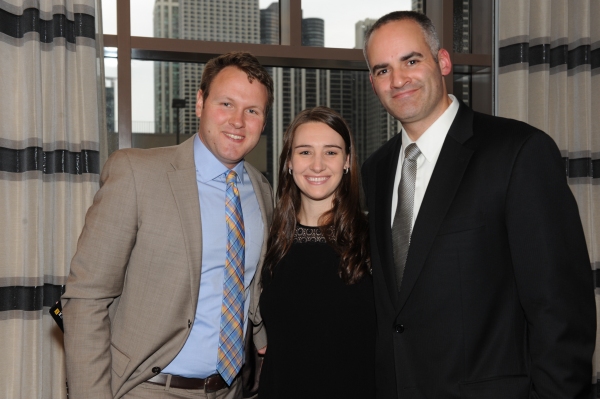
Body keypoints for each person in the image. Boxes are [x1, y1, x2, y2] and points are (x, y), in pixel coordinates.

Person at [360, 11, 595, 399]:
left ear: (444, 62)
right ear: (373, 83)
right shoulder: (377, 170)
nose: (398, 80)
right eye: (382, 70)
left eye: (411, 60)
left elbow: (562, 312)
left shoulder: (518, 152)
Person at [62, 52, 274, 399]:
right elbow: (86, 298)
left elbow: (247, 286)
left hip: (228, 390)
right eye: (226, 103)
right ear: (200, 103)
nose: (238, 121)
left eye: (252, 111)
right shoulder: (137, 173)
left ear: (263, 121)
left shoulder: (261, 191)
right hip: (146, 388)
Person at [257, 106, 375, 399]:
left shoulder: (374, 240)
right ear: (288, 161)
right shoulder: (269, 241)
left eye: (331, 152)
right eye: (305, 152)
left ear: (347, 161)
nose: (317, 165)